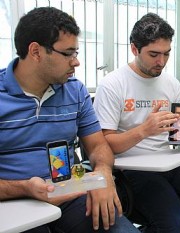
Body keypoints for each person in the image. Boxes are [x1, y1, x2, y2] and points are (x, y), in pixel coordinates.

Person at [0, 7, 139, 233]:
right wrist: (25, 188)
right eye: (68, 54)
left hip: (70, 192)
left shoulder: (75, 91)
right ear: (35, 51)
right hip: (13, 205)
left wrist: (102, 174)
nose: (76, 63)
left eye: (77, 53)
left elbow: (98, 145)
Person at [93, 13, 180, 233]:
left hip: (169, 161)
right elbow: (103, 145)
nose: (161, 62)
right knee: (176, 225)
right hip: (132, 167)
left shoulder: (170, 83)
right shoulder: (113, 84)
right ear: (134, 49)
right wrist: (143, 131)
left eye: (166, 54)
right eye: (154, 54)